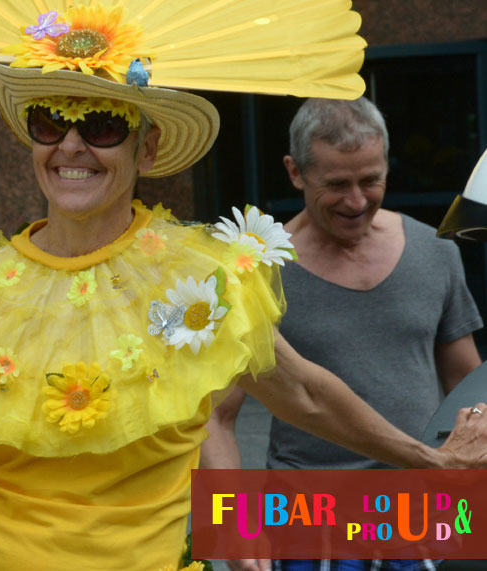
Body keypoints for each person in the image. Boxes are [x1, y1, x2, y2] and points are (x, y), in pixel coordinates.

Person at [0, 0, 487, 571]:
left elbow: (299, 391)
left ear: (145, 150)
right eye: (48, 121)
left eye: (100, 125)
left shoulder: (198, 282)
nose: (69, 145)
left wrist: (430, 462)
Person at [202, 98, 482, 571]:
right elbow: (216, 416)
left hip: (423, 518)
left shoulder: (434, 252)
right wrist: (234, 527)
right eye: (336, 184)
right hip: (308, 525)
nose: (356, 201)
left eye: (371, 180)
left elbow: (468, 387)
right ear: (295, 172)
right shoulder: (257, 272)